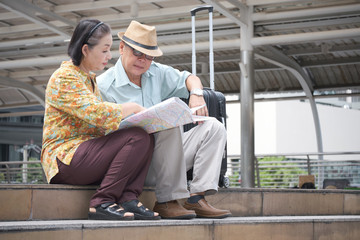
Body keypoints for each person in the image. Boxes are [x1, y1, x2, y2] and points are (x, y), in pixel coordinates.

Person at [97, 20, 231, 219]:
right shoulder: (103, 86)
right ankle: (167, 201)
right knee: (166, 126)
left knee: (214, 126)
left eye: (149, 56)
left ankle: (195, 197)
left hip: (166, 161)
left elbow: (190, 78)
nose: (143, 60)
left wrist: (196, 93)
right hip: (133, 165)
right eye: (137, 53)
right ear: (122, 48)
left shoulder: (155, 72)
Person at [40, 19, 160, 221]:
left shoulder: (88, 78)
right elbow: (96, 113)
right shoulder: (64, 77)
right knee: (137, 136)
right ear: (85, 50)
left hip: (84, 154)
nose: (109, 56)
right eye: (104, 50)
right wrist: (133, 108)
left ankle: (128, 198)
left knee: (145, 135)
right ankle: (102, 202)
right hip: (64, 159)